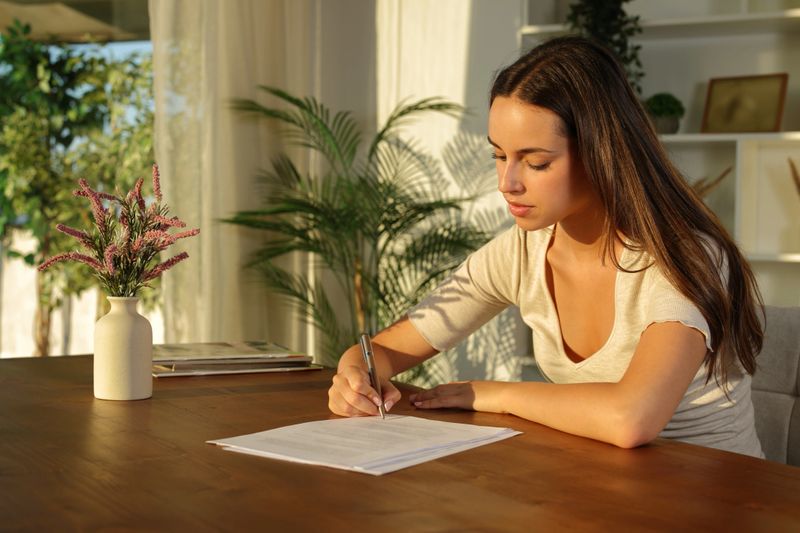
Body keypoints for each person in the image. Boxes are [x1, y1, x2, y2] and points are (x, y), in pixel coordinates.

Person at [327, 36, 765, 457]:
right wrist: (355, 375)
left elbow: (632, 419)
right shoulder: (521, 252)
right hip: (608, 490)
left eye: (536, 162)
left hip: (717, 498)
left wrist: (491, 393)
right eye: (499, 156)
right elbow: (384, 351)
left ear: (600, 153)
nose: (507, 183)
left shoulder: (682, 257)